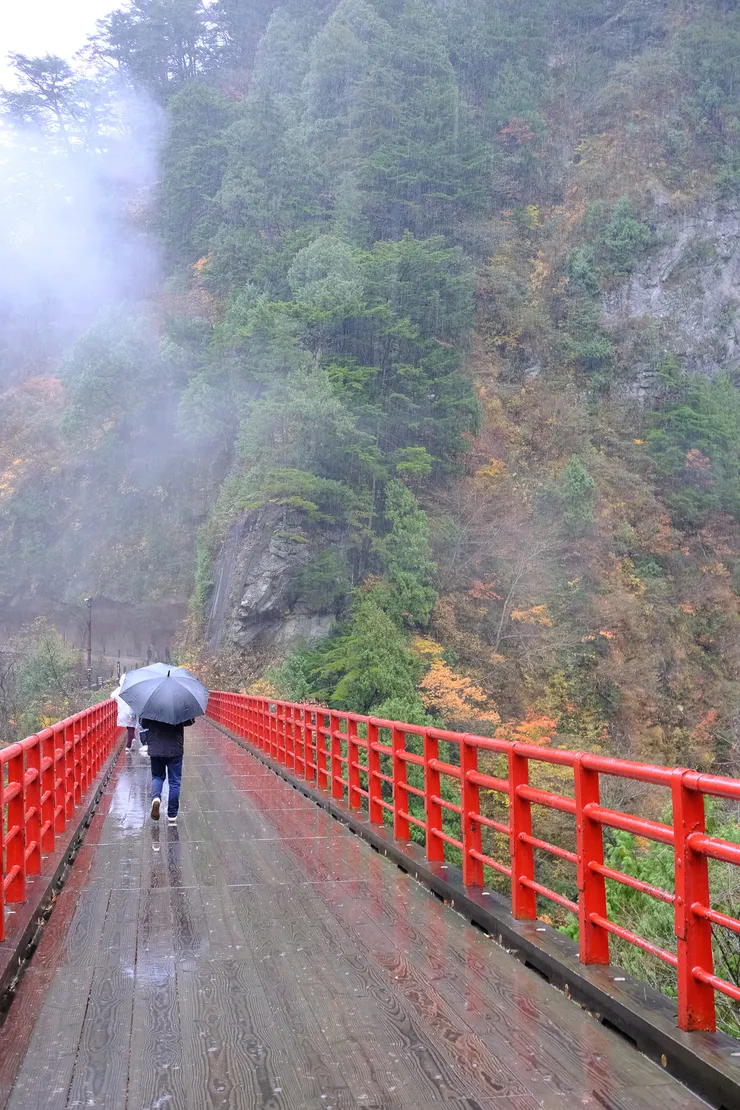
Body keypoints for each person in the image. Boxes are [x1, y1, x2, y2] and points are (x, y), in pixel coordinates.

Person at [142, 717, 194, 825]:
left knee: (157, 776)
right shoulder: (178, 704)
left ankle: (156, 798)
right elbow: (189, 721)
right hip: (175, 748)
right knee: (175, 781)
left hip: (156, 748)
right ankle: (172, 814)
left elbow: (143, 724)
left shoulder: (151, 704)